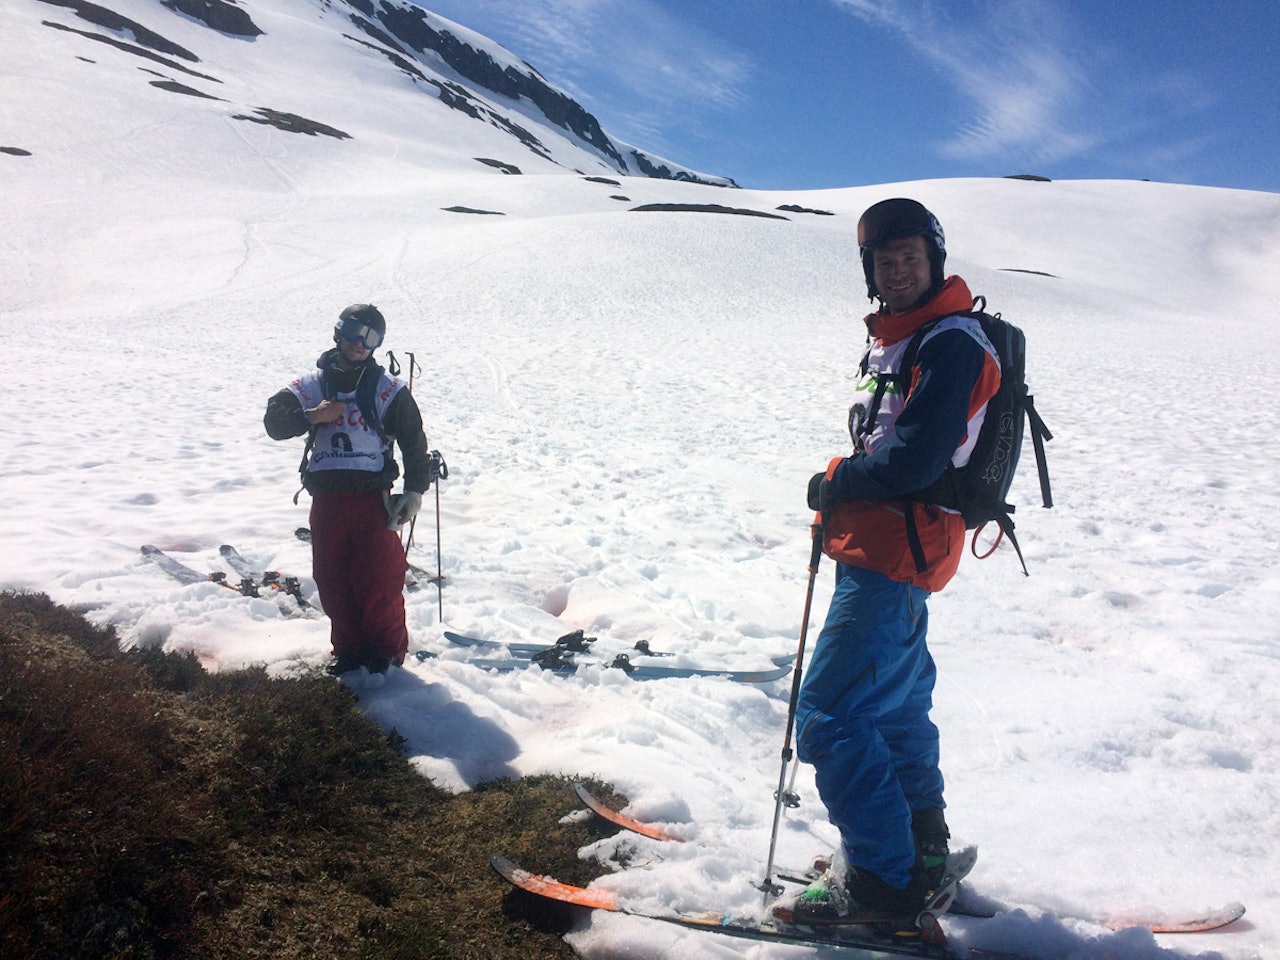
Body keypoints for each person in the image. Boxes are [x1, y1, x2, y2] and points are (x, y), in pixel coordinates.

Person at [788, 199, 1002, 922]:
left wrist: (837, 483)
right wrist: (844, 499)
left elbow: (911, 461)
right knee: (897, 713)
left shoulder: (950, 342)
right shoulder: (903, 340)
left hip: (895, 553)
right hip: (886, 548)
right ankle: (920, 851)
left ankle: (882, 885)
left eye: (909, 254)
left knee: (828, 717)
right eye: (884, 259)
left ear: (934, 258)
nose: (897, 267)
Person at [264, 303, 431, 675]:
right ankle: (349, 652)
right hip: (326, 500)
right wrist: (313, 416)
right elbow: (274, 423)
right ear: (338, 333)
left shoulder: (387, 389)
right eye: (355, 332)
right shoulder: (310, 386)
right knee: (332, 577)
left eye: (371, 337)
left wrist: (414, 491)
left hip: (374, 501)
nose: (360, 343)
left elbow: (414, 443)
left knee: (378, 578)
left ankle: (385, 655)